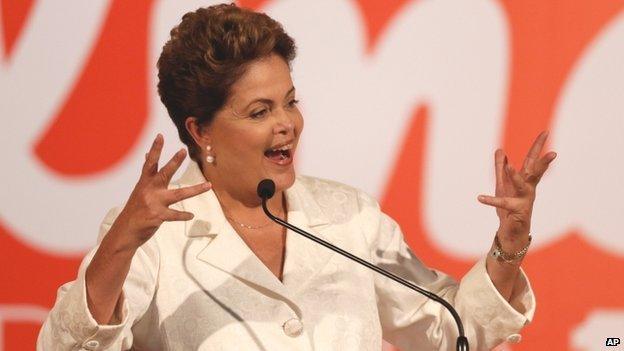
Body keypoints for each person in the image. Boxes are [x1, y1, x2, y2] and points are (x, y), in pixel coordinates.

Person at [37, 4, 556, 350]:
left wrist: (508, 244)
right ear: (200, 130)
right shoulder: (155, 236)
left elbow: (455, 329)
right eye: (259, 111)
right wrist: (122, 243)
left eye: (290, 102)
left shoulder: (351, 217)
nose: (287, 123)